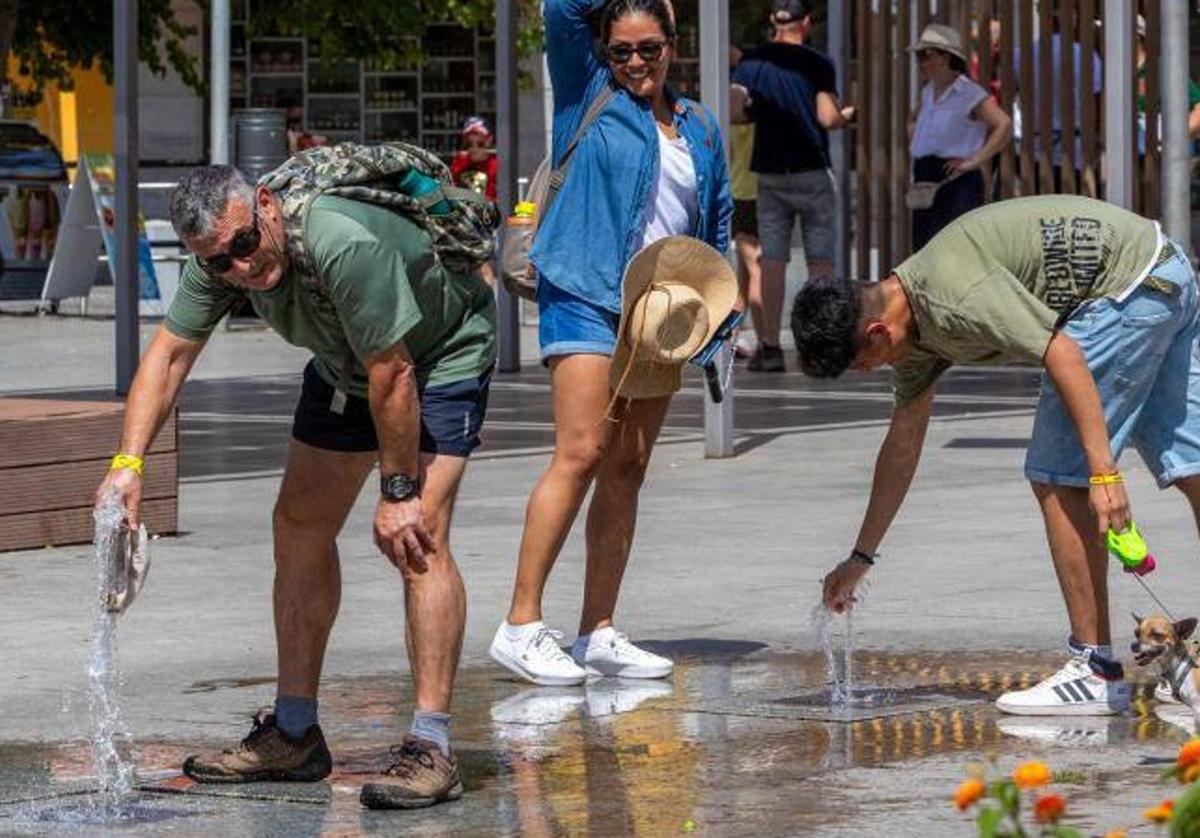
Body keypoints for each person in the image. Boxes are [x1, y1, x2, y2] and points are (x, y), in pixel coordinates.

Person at [95, 158, 496, 808]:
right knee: (300, 525)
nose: (240, 269)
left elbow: (393, 374)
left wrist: (397, 494)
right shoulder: (221, 257)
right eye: (220, 262)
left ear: (266, 206)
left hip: (436, 355)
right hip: (347, 364)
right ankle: (294, 731)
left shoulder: (340, 241)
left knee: (417, 537)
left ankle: (432, 746)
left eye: (245, 245)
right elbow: (168, 356)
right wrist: (128, 465)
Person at [793, 195, 1200, 716]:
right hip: (1164, 270)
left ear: (876, 331)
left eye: (864, 364)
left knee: (1058, 474)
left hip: (1125, 288)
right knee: (1193, 466)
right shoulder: (912, 325)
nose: (872, 371)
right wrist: (861, 557)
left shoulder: (952, 293)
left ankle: (1093, 669)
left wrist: (1103, 474)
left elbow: (1062, 352)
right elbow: (903, 442)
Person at [488, 0, 731, 686]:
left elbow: (712, 226)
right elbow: (563, 8)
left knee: (628, 466)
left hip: (660, 311)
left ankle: (599, 629)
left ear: (672, 46)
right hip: (586, 291)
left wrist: (717, 328)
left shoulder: (700, 126)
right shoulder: (586, 88)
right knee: (582, 451)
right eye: (621, 50)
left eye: (648, 49)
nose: (634, 63)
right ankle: (522, 624)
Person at [730, 0, 853, 372]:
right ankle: (820, 346)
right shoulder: (818, 63)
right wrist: (849, 116)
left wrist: (758, 111)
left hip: (769, 174)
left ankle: (770, 348)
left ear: (773, 21)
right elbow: (826, 117)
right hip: (812, 170)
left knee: (772, 262)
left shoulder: (752, 64)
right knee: (820, 262)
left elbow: (734, 110)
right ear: (807, 23)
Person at [906, 24, 1011, 250]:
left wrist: (975, 160)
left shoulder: (969, 93)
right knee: (923, 250)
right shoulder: (927, 91)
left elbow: (1003, 125)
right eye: (918, 56)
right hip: (925, 175)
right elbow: (914, 120)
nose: (920, 62)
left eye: (925, 55)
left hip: (954, 179)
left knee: (954, 251)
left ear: (944, 58)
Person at [729, 45, 763, 359]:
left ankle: (746, 336)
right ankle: (750, 337)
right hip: (753, 193)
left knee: (749, 267)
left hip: (742, 193)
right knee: (750, 267)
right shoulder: (760, 116)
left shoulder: (732, 115)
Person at [450, 115, 499, 201]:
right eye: (469, 143)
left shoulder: (496, 165)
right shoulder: (459, 162)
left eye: (480, 143)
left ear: (489, 140)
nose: (474, 148)